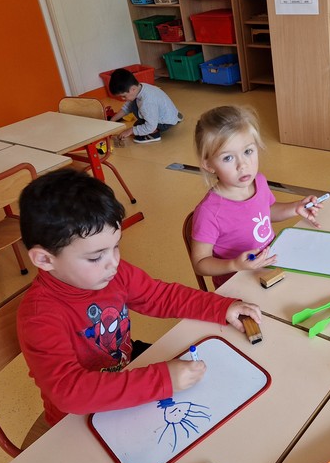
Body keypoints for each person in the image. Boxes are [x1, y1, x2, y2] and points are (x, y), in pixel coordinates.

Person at [17, 168, 262, 428]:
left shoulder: (113, 273)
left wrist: (221, 307)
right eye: (96, 257)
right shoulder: (38, 316)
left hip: (126, 376)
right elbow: (70, 392)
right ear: (44, 259)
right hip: (77, 421)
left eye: (116, 247)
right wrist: (162, 381)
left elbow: (160, 296)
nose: (114, 262)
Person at [190, 105, 323, 288]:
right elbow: (200, 263)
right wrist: (234, 264)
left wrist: (295, 207)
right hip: (238, 285)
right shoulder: (209, 212)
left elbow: (266, 212)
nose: (243, 165)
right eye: (228, 158)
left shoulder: (259, 181)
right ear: (208, 165)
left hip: (271, 268)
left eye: (248, 151)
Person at [108, 68, 183, 144]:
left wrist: (131, 130)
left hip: (164, 123)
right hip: (170, 113)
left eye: (124, 96)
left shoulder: (147, 102)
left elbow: (151, 126)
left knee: (139, 126)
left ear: (133, 89)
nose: (122, 99)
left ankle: (154, 134)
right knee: (134, 107)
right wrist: (113, 120)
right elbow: (127, 107)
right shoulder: (140, 87)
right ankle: (175, 116)